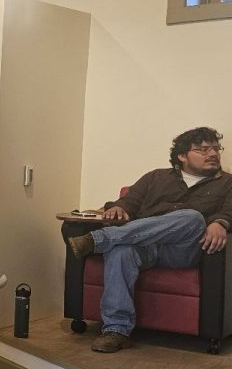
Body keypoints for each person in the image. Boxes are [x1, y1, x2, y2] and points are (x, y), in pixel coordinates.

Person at [67, 126, 232, 353]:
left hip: (184, 250)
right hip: (145, 246)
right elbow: (130, 202)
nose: (212, 154)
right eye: (203, 149)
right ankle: (116, 330)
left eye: (215, 148)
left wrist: (220, 222)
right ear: (182, 156)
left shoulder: (227, 183)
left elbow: (229, 210)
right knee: (121, 251)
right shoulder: (156, 177)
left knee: (193, 218)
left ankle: (99, 240)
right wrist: (118, 207)